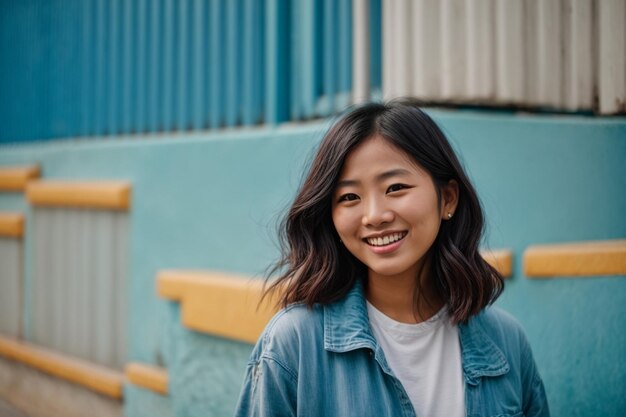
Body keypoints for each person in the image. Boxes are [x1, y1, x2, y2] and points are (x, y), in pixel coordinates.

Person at [234, 100, 549, 417]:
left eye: (396, 187)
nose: (374, 216)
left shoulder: (507, 342)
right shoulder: (293, 345)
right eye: (349, 197)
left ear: (448, 199)